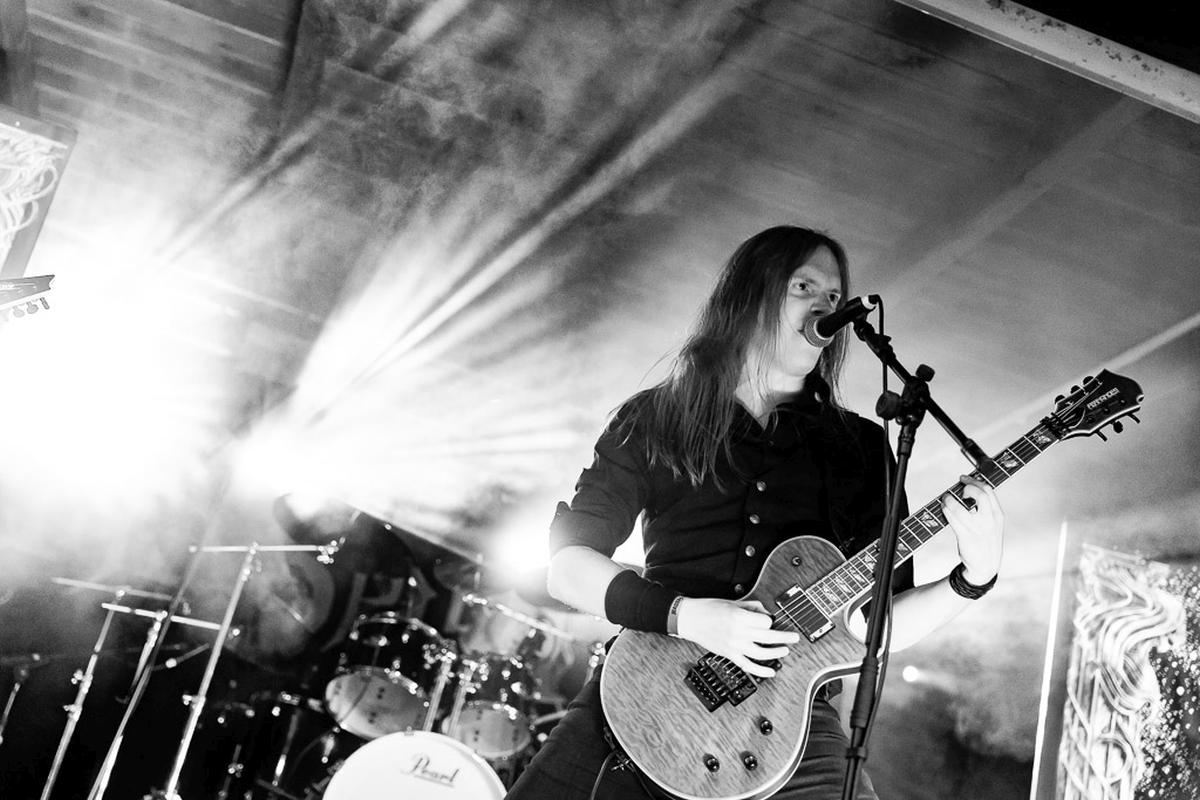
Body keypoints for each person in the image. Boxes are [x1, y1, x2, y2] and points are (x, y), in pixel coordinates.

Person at [505, 225, 1003, 799]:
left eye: (834, 296)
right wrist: (688, 617)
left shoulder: (861, 448)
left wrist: (974, 577)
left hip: (792, 721)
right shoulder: (657, 417)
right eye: (803, 287)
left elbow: (878, 624)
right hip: (644, 694)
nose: (824, 306)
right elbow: (567, 569)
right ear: (749, 296)